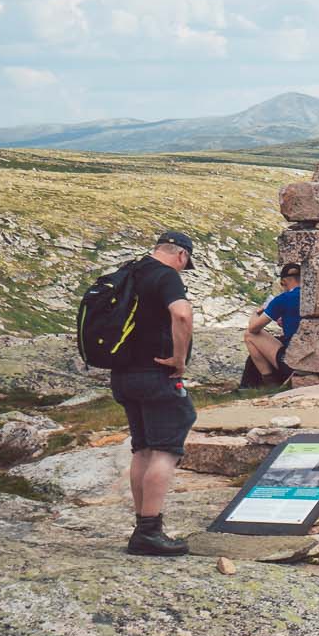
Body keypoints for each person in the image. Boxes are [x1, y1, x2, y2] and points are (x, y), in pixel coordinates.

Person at [110, 230, 196, 558]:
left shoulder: (130, 271)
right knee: (166, 448)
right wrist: (179, 357)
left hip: (123, 375)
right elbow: (182, 314)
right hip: (156, 373)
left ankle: (141, 525)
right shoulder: (166, 276)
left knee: (142, 449)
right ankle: (150, 530)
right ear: (181, 256)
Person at [243, 263, 301, 384]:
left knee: (249, 335)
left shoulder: (283, 299)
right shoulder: (311, 295)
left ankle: (270, 382)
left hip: (291, 360)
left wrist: (257, 312)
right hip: (312, 356)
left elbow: (253, 328)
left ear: (284, 281)